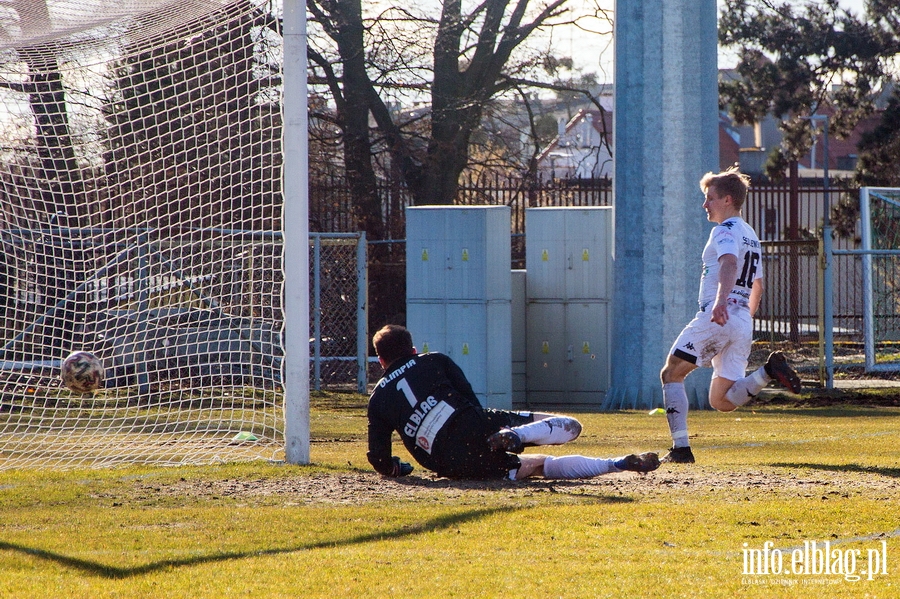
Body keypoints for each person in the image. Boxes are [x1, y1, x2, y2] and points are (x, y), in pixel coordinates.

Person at [367, 324, 660, 480]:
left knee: (537, 466)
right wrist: (482, 429)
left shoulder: (378, 397)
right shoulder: (434, 360)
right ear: (415, 349)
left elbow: (379, 458)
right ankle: (518, 435)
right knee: (569, 425)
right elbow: (470, 399)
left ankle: (616, 464)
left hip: (446, 463)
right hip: (472, 424)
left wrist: (396, 468)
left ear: (381, 361)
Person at [660, 167, 802, 464]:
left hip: (719, 315)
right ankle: (768, 372)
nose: (705, 205)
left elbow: (728, 262)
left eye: (709, 198)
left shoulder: (723, 231)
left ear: (726, 200)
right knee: (721, 400)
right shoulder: (751, 235)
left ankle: (681, 449)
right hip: (740, 321)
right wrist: (742, 318)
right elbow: (758, 285)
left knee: (671, 373)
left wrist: (721, 303)